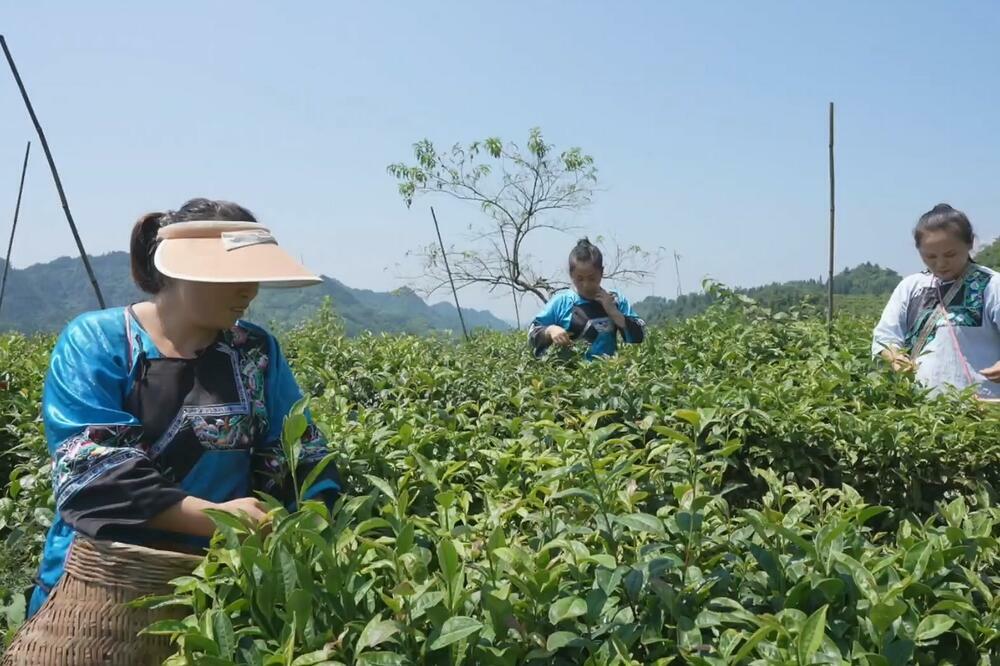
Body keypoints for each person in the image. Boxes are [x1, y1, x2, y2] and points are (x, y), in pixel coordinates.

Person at [27, 198, 340, 617]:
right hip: (103, 584)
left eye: (255, 277)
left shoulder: (255, 350)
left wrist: (303, 528)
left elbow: (300, 452)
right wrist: (216, 518)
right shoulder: (99, 340)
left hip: (221, 584)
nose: (250, 291)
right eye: (234, 276)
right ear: (182, 271)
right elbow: (89, 468)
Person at [872, 203, 1000, 398]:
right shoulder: (912, 287)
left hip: (982, 409)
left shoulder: (991, 285)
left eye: (950, 254)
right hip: (922, 410)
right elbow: (885, 336)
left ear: (970, 243)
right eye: (930, 256)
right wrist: (894, 356)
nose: (940, 263)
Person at [528, 238, 646, 360]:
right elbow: (532, 334)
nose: (586, 285)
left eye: (592, 278)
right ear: (571, 274)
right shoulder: (561, 302)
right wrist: (550, 330)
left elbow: (640, 336)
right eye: (580, 279)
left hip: (609, 374)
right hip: (570, 376)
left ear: (601, 272)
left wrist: (614, 313)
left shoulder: (615, 300)